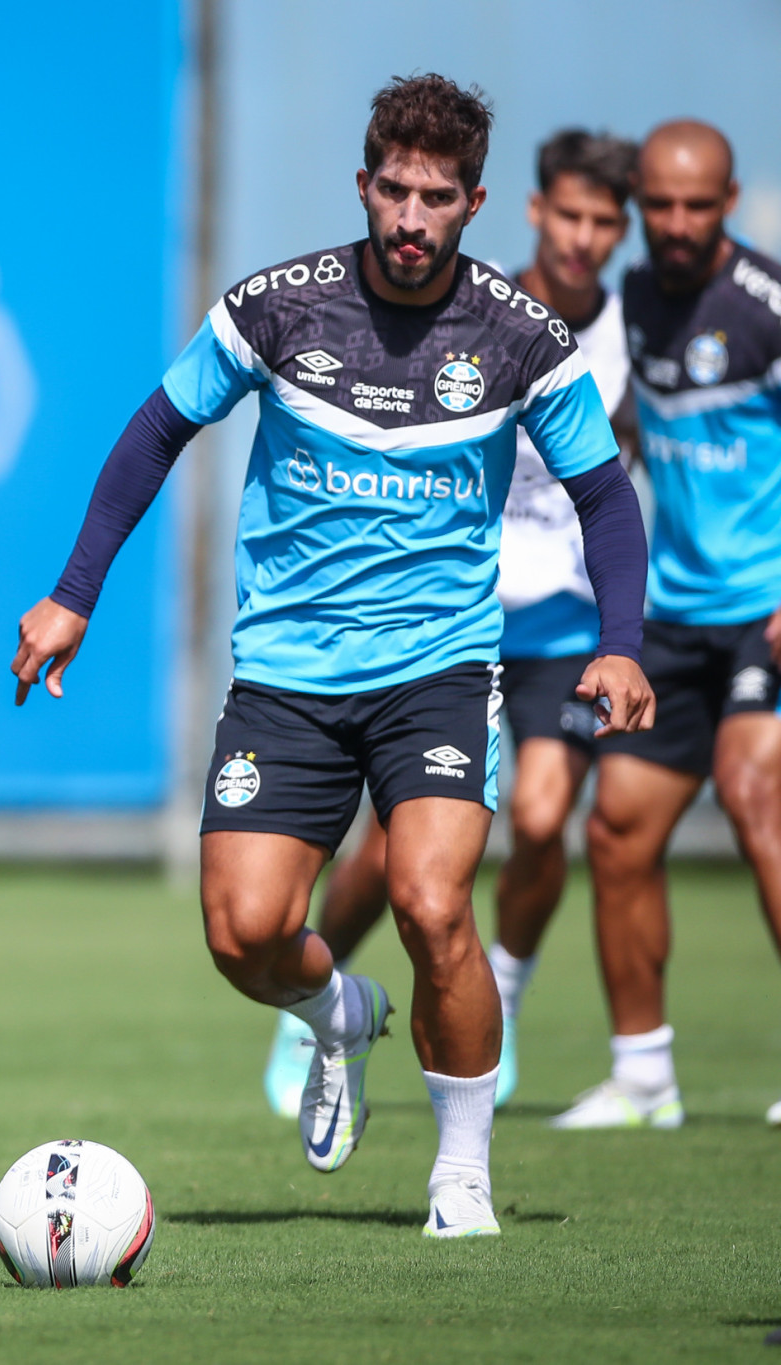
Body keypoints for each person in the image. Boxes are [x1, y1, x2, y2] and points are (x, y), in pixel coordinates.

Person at [11, 76, 653, 1239]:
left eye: (436, 199)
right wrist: (71, 596)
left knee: (429, 900)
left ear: (473, 205)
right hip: (287, 677)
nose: (410, 219)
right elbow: (154, 432)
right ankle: (337, 1013)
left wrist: (620, 646)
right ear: (363, 186)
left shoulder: (518, 341)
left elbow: (605, 501)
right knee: (241, 935)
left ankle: (458, 1176)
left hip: (440, 673)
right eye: (393, 192)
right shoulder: (273, 309)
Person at [260, 129, 643, 1120]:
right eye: (568, 214)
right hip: (446, 618)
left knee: (540, 817)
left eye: (604, 222)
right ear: (527, 211)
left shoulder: (623, 339)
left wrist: (625, 631)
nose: (583, 238)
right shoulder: (474, 316)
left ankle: (498, 990)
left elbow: (618, 484)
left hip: (554, 610)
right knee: (388, 858)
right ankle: (318, 994)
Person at [558, 119, 781, 1131]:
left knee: (752, 797)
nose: (678, 223)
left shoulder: (765, 306)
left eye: (698, 205)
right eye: (661, 205)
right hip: (674, 619)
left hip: (763, 617)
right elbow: (632, 430)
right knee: (613, 831)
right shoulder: (633, 302)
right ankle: (641, 1077)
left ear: (727, 201)